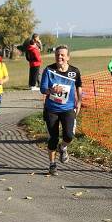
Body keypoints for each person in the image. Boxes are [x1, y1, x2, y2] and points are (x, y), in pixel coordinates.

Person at [40, 45, 82, 175]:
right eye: (57, 55)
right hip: (51, 109)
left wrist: (79, 102)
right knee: (53, 138)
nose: (60, 57)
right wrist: (51, 90)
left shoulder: (74, 71)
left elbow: (79, 86)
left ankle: (63, 147)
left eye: (62, 55)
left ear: (68, 57)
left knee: (69, 135)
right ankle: (52, 165)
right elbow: (43, 89)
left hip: (68, 108)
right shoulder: (49, 70)